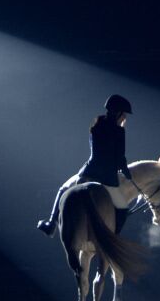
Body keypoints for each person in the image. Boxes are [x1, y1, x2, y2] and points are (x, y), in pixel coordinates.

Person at [37, 94, 133, 237]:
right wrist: (127, 174)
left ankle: (51, 224)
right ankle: (114, 237)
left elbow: (95, 151)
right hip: (108, 179)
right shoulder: (119, 131)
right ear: (118, 112)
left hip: (89, 171)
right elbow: (120, 158)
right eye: (124, 114)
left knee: (63, 189)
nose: (125, 118)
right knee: (123, 208)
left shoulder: (96, 125)